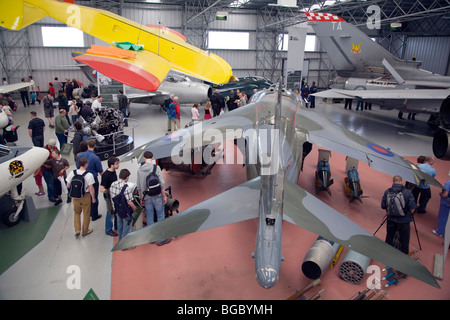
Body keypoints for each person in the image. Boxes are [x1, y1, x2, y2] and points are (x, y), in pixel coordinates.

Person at [137, 151, 170, 246]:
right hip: (157, 196)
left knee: (150, 216)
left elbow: (139, 186)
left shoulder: (139, 170)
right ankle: (160, 239)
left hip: (146, 197)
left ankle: (151, 238)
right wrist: (164, 196)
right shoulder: (156, 168)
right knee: (160, 216)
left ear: (144, 158)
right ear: (152, 158)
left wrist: (141, 198)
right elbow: (162, 183)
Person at [381, 175, 417, 254]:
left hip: (391, 219)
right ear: (401, 181)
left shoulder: (387, 192)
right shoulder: (407, 192)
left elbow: (383, 206)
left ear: (393, 181)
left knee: (389, 236)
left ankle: (386, 252)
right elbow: (412, 208)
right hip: (404, 221)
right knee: (404, 239)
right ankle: (404, 255)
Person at [66, 157, 96, 237]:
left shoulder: (72, 173)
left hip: (75, 196)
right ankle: (85, 231)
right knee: (86, 214)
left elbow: (68, 185)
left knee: (76, 213)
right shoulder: (89, 175)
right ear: (86, 164)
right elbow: (91, 188)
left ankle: (77, 230)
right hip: (85, 195)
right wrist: (93, 198)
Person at [76, 139, 103, 221]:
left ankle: (88, 213)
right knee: (94, 196)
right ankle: (94, 215)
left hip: (83, 179)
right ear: (95, 146)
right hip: (93, 180)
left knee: (86, 196)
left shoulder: (80, 156)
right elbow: (100, 171)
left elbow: (78, 167)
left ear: (87, 145)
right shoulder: (96, 158)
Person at [110, 168, 137, 243]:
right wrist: (135, 209)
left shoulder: (113, 184)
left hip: (117, 209)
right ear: (127, 177)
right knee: (127, 226)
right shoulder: (126, 187)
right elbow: (129, 202)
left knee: (120, 225)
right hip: (126, 211)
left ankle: (120, 241)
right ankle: (124, 244)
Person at [100, 157, 120, 237]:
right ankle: (108, 230)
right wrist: (109, 192)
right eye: (116, 164)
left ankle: (116, 226)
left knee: (115, 211)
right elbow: (101, 188)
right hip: (109, 197)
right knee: (110, 212)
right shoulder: (106, 175)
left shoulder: (113, 172)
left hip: (114, 195)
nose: (118, 165)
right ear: (111, 165)